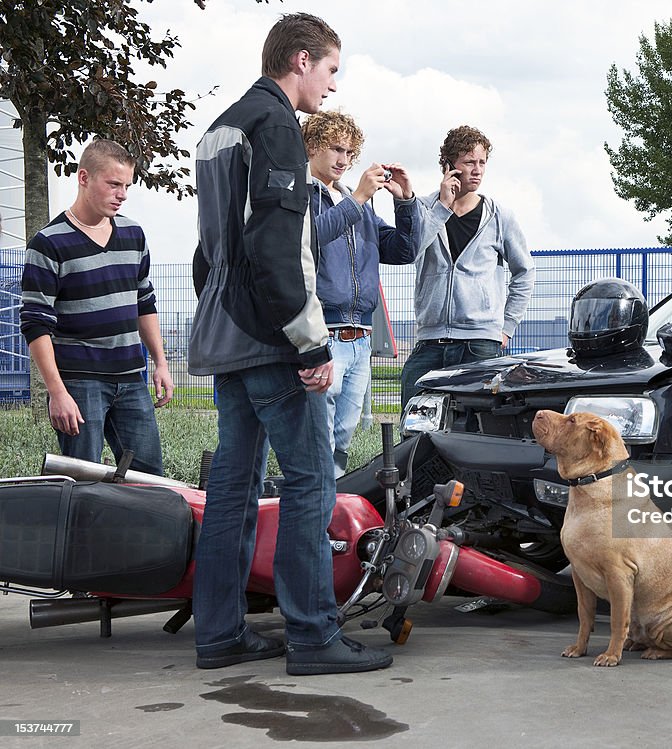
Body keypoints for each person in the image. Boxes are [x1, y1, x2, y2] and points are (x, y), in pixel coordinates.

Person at [188, 13, 391, 675]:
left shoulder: (219, 130)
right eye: (331, 70)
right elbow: (275, 249)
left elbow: (208, 253)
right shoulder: (276, 125)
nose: (331, 87)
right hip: (271, 337)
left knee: (233, 488)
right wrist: (309, 344)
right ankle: (312, 637)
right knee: (308, 482)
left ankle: (218, 634)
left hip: (224, 333)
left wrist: (227, 312)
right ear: (302, 61)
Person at [20, 138, 173, 475]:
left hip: (132, 380)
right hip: (79, 384)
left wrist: (160, 363)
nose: (122, 194)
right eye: (114, 184)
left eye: (127, 186)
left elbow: (144, 302)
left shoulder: (134, 235)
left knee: (150, 482)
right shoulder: (48, 243)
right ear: (84, 178)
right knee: (81, 483)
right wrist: (56, 392)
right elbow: (35, 323)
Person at [300, 110, 417, 477]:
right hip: (323, 334)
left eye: (350, 153)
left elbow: (402, 251)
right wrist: (360, 199)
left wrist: (405, 202)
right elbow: (311, 239)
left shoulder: (358, 204)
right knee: (318, 438)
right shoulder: (301, 196)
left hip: (360, 338)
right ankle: (317, 512)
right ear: (311, 147)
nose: (343, 160)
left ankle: (333, 511)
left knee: (343, 439)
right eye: (336, 149)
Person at [399, 125, 535, 407]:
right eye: (469, 162)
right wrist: (442, 209)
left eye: (482, 162)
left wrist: (506, 326)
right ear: (448, 165)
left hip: (481, 343)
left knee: (478, 426)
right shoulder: (424, 208)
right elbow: (411, 251)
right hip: (430, 341)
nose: (477, 170)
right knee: (413, 424)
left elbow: (525, 272)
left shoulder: (500, 217)